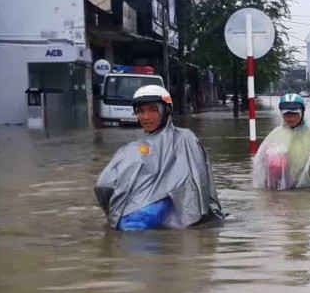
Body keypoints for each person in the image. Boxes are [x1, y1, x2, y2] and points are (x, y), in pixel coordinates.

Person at [94, 85, 224, 230]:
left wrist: (113, 214)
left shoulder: (130, 148)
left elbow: (103, 185)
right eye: (141, 111)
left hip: (125, 221)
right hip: (152, 223)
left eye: (153, 110)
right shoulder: (185, 138)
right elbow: (199, 182)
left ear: (166, 110)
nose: (146, 117)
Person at [252, 93, 310, 189]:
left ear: (302, 112)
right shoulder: (276, 134)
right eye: (287, 114)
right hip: (285, 184)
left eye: (295, 114)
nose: (291, 118)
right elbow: (262, 162)